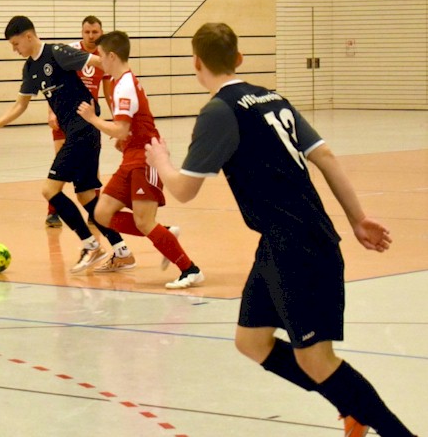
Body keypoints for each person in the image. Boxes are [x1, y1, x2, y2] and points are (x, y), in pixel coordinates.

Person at [145, 22, 415, 436]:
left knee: (316, 359)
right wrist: (356, 217)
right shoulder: (273, 99)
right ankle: (351, 403)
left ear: (196, 62)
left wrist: (160, 159)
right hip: (278, 242)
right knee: (251, 341)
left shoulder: (220, 111)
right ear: (238, 57)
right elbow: (325, 156)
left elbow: (183, 190)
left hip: (300, 247)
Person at [0, 15, 134, 273]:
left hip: (83, 129)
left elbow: (102, 62)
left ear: (29, 36)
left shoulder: (58, 52)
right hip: (79, 134)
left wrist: (127, 86)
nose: (15, 50)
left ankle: (91, 245)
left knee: (49, 190)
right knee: (85, 196)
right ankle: (122, 251)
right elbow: (20, 105)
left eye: (16, 44)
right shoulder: (30, 68)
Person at [77, 31, 203, 287]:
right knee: (101, 213)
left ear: (111, 56)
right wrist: (124, 139)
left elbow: (120, 128)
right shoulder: (121, 81)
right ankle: (164, 232)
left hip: (145, 157)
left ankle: (190, 269)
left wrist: (92, 119)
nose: (99, 61)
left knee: (144, 221)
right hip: (132, 156)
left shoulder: (123, 84)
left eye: (100, 56)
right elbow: (129, 128)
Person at [45, 15, 111, 229]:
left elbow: (109, 93)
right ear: (82, 33)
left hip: (89, 117)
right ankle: (53, 212)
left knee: (92, 163)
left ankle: (95, 212)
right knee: (61, 161)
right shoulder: (70, 51)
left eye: (95, 32)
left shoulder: (105, 57)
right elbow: (53, 84)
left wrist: (115, 120)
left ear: (101, 33)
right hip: (65, 115)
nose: (91, 36)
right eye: (87, 32)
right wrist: (51, 112)